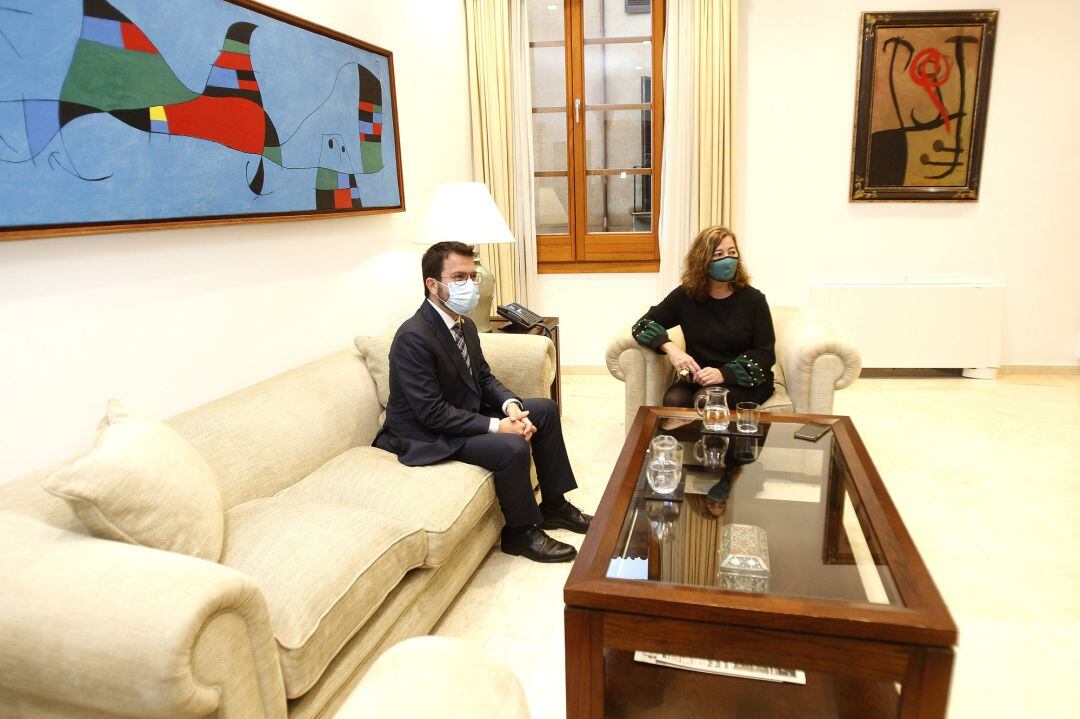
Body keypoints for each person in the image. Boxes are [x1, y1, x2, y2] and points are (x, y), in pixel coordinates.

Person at [374, 241, 591, 563]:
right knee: (511, 446)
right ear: (432, 285)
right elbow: (430, 412)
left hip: (458, 414)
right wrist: (497, 427)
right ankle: (520, 533)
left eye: (473, 276)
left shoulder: (464, 325)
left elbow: (484, 377)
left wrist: (510, 407)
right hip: (424, 434)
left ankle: (555, 506)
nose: (471, 286)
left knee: (543, 409)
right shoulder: (413, 337)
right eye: (459, 277)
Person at [632, 226, 775, 410]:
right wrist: (672, 350)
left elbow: (765, 354)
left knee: (707, 400)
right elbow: (642, 325)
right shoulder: (686, 295)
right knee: (673, 400)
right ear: (703, 260)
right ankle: (678, 440)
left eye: (732, 253)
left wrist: (724, 374)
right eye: (718, 255)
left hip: (743, 380)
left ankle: (717, 439)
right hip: (700, 377)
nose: (727, 260)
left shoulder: (754, 300)